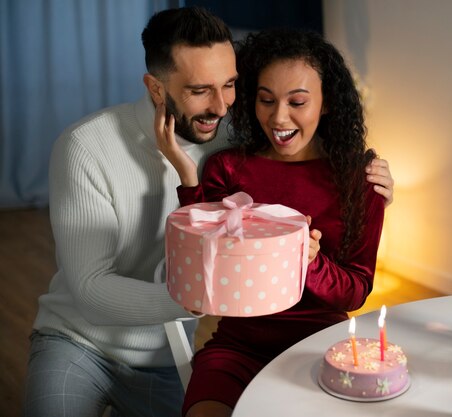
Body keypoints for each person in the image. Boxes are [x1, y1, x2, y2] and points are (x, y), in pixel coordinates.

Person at [24, 7, 394, 417]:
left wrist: (371, 188)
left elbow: (353, 281)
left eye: (231, 85)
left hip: (175, 354)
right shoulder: (87, 147)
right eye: (201, 90)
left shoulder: (237, 135)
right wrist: (207, 291)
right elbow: (94, 287)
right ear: (157, 89)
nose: (221, 107)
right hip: (80, 340)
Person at [156, 28, 386, 417]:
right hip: (237, 347)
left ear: (326, 102)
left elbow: (356, 292)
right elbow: (203, 268)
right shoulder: (228, 168)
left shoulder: (359, 180)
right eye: (266, 100)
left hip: (321, 347)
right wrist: (187, 174)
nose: (278, 117)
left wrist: (309, 261)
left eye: (297, 101)